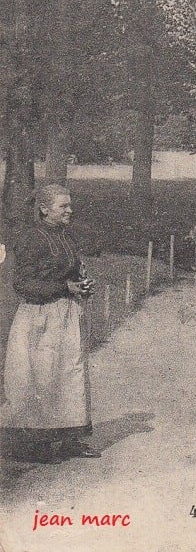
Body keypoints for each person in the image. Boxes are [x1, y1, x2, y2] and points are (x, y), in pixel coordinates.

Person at [2, 184, 99, 463]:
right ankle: (34, 445)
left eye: (70, 205)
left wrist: (81, 285)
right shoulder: (32, 239)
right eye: (63, 206)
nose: (70, 210)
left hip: (66, 314)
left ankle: (69, 439)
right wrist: (64, 287)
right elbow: (22, 283)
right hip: (40, 316)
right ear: (44, 209)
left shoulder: (64, 235)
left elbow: (70, 271)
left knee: (70, 374)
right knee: (41, 376)